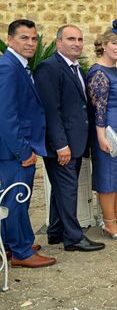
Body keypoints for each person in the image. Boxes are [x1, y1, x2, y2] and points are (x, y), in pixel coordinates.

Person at [34, 24, 104, 252]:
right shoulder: (49, 68)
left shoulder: (76, 68)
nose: (76, 43)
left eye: (80, 39)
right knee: (68, 189)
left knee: (62, 189)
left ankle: (55, 232)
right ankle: (73, 238)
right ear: (58, 43)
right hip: (61, 145)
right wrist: (61, 145)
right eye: (71, 39)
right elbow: (51, 110)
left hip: (76, 143)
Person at [0, 19, 56, 267]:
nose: (31, 43)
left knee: (11, 199)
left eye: (34, 38)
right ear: (10, 39)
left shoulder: (18, 66)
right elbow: (6, 115)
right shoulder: (8, 68)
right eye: (24, 38)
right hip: (13, 151)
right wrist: (23, 150)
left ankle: (13, 243)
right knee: (17, 199)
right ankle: (22, 252)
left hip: (16, 148)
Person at [87, 20, 117, 239]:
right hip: (109, 131)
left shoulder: (114, 70)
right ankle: (108, 222)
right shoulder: (98, 72)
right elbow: (99, 107)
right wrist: (101, 136)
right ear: (103, 45)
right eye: (114, 43)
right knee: (108, 175)